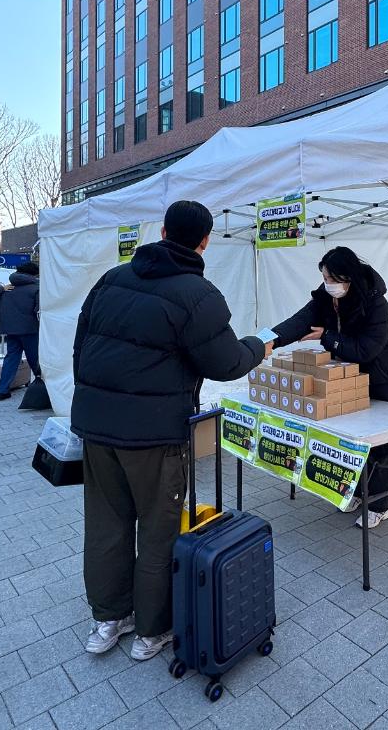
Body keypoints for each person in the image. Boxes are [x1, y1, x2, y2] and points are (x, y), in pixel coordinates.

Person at [71, 200, 271, 661]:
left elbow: (81, 345)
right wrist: (260, 344)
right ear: (205, 241)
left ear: (161, 231)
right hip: (155, 437)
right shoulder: (198, 295)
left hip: (97, 429)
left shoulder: (112, 278)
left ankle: (107, 620)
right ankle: (151, 630)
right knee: (158, 529)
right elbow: (227, 362)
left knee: (106, 524)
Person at [272, 247, 388, 529]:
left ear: (349, 277)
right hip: (349, 377)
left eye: (332, 278)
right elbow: (298, 321)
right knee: (352, 440)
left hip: (382, 380)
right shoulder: (326, 298)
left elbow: (367, 350)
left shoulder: (375, 303)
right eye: (324, 277)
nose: (327, 283)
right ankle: (356, 492)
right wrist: (268, 340)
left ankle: (380, 504)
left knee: (379, 444)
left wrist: (327, 337)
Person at [0, 261, 41, 401]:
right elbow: (39, 310)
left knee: (11, 359)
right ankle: (41, 386)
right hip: (30, 330)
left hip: (11, 330)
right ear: (33, 274)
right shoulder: (36, 288)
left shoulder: (8, 288)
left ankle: (2, 390)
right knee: (35, 359)